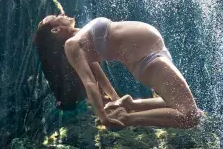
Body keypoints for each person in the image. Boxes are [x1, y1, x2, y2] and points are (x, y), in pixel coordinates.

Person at [33, 14, 203, 129]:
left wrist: (115, 99)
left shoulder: (82, 35)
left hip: (157, 54)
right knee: (191, 117)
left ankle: (131, 104)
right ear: (55, 30)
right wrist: (104, 118)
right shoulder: (72, 45)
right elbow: (90, 82)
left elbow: (100, 76)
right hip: (148, 61)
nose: (62, 14)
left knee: (178, 106)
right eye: (56, 17)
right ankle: (127, 118)